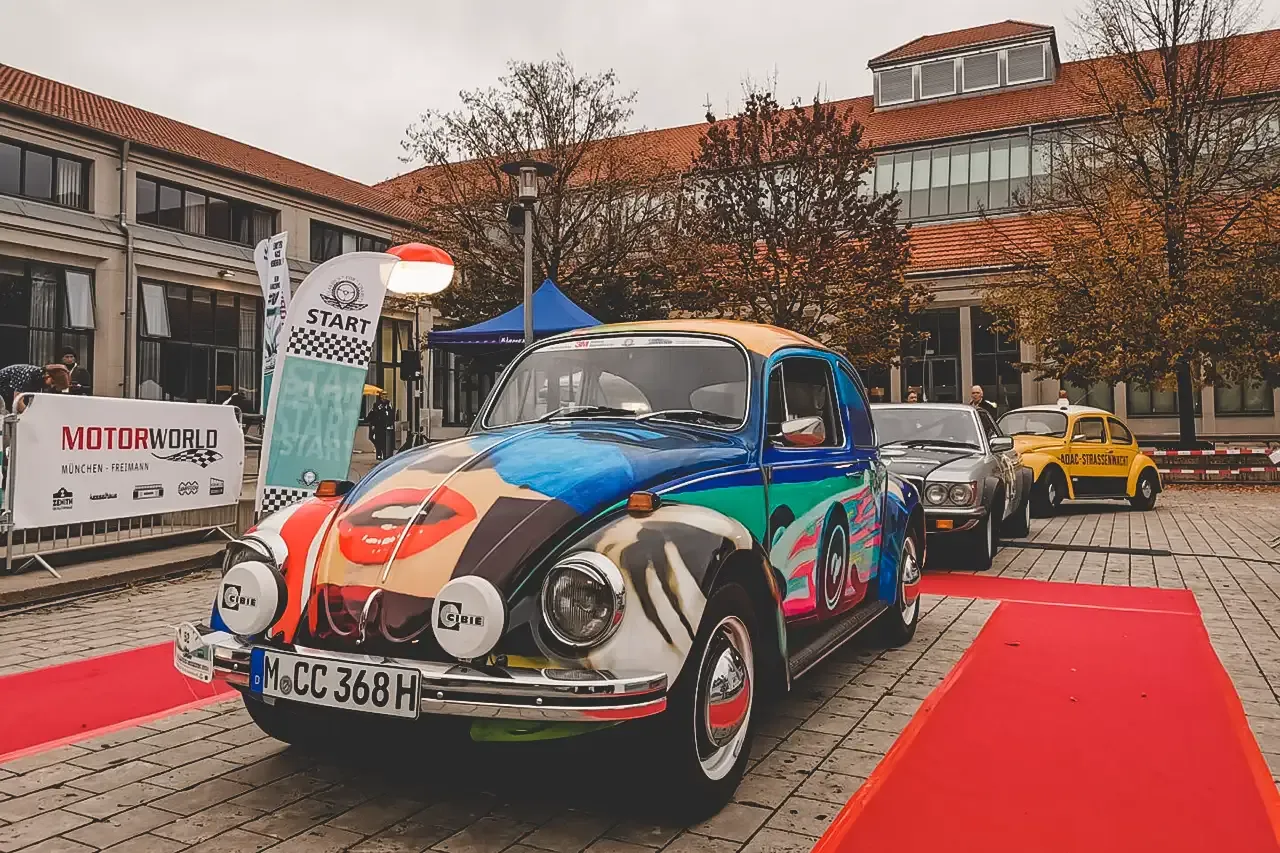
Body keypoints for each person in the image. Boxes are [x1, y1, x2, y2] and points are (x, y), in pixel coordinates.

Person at [1, 364, 70, 414]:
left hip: (6, 395)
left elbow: (35, 403)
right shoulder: (28, 376)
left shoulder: (39, 377)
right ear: (48, 375)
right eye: (52, 382)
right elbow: (18, 403)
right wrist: (31, 416)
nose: (51, 386)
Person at [367, 393, 396, 461]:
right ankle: (379, 453)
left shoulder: (389, 404)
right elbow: (375, 414)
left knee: (385, 441)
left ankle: (385, 454)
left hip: (386, 425)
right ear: (381, 396)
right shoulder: (377, 404)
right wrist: (373, 424)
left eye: (386, 395)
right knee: (376, 439)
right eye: (383, 395)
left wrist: (391, 422)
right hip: (378, 425)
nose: (385, 397)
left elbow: (391, 413)